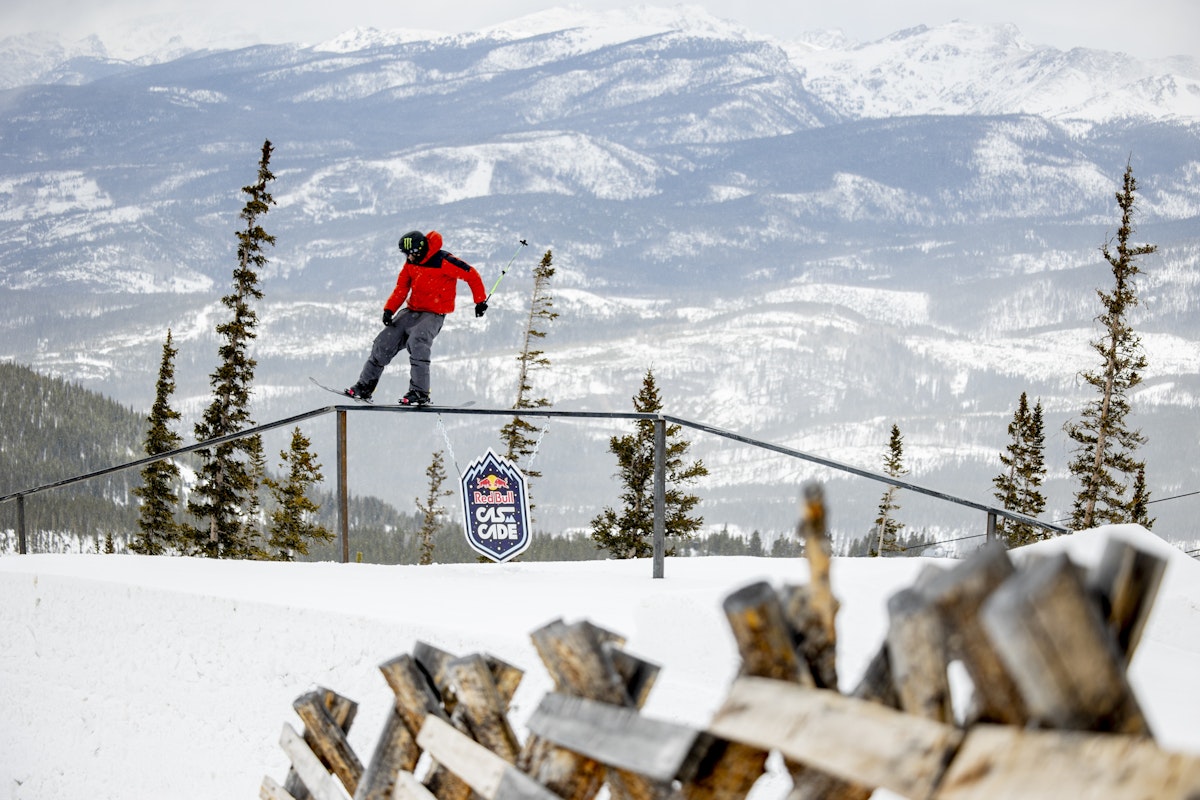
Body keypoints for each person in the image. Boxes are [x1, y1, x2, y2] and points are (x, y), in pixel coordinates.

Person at [345, 229, 488, 406]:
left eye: (409, 254)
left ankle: (419, 392)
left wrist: (480, 301)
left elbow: (471, 274)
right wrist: (389, 309)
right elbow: (401, 288)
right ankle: (364, 387)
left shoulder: (443, 260)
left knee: (418, 342)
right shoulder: (411, 263)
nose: (407, 258)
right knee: (383, 342)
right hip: (411, 311)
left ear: (418, 251)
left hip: (433, 314)